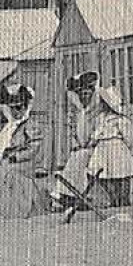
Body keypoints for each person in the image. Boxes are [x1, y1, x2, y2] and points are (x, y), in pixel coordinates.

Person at [0, 84, 48, 220]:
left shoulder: (31, 125)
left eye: (19, 107)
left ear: (26, 107)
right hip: (5, 162)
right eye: (12, 108)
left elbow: (33, 149)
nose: (16, 111)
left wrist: (14, 158)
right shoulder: (4, 127)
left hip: (26, 164)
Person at [52, 72, 100, 210]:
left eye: (87, 93)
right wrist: (77, 144)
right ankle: (66, 194)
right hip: (84, 148)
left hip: (97, 146)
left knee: (80, 158)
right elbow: (74, 134)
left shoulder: (97, 110)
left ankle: (75, 193)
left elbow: (99, 130)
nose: (85, 97)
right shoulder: (79, 112)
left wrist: (91, 142)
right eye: (82, 94)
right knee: (75, 158)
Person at [88, 86, 133, 208]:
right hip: (102, 147)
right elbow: (96, 133)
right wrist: (94, 139)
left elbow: (128, 135)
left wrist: (126, 145)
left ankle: (124, 198)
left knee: (122, 173)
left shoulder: (119, 119)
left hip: (116, 146)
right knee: (101, 173)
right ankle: (113, 197)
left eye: (103, 103)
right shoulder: (100, 118)